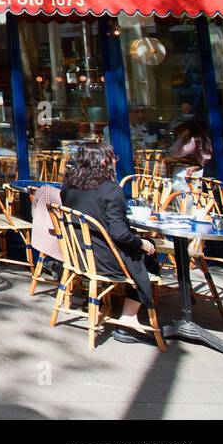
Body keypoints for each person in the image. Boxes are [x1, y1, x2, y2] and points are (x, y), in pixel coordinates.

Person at [59, 140, 158, 344]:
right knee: (150, 257)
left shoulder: (69, 186)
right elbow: (120, 234)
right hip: (103, 260)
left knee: (138, 248)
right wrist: (141, 244)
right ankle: (129, 317)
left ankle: (110, 304)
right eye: (114, 159)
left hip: (77, 255)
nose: (116, 162)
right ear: (105, 162)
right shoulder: (111, 190)